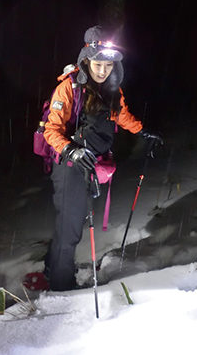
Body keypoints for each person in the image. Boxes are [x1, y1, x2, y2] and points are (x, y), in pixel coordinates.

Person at [43, 26, 161, 291]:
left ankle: (52, 268)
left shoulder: (111, 90)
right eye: (97, 63)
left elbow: (121, 115)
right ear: (86, 59)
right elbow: (51, 130)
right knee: (71, 226)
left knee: (71, 220)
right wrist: (71, 150)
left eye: (108, 64)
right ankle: (62, 286)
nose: (102, 69)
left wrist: (143, 131)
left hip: (91, 164)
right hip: (69, 165)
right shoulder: (69, 88)